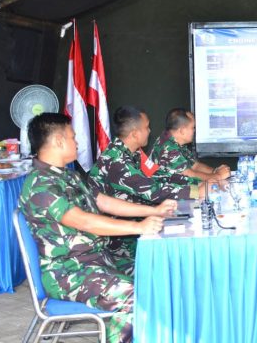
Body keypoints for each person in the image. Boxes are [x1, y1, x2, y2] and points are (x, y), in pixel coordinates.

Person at [19, 113, 176, 343]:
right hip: (70, 272)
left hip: (98, 261)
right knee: (136, 297)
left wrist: (154, 211)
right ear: (59, 142)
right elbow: (84, 221)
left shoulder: (69, 177)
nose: (77, 142)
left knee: (158, 273)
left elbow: (103, 202)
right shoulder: (40, 185)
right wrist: (139, 227)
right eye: (73, 137)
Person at [88, 106, 198, 263]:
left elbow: (158, 174)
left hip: (139, 221)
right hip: (119, 239)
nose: (150, 131)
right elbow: (154, 192)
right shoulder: (117, 161)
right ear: (134, 133)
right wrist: (196, 191)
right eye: (146, 127)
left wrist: (198, 183)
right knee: (174, 256)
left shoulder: (134, 153)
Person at [150, 108, 230, 184]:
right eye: (193, 127)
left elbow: (195, 165)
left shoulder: (174, 141)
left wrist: (215, 171)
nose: (195, 131)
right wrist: (218, 176)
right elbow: (189, 175)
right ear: (182, 131)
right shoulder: (169, 148)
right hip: (166, 194)